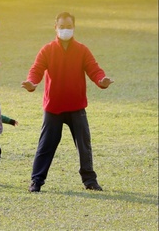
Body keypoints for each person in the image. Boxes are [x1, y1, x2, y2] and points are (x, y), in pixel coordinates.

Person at [21, 12, 113, 193]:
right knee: (45, 146)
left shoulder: (82, 50)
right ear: (55, 27)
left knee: (84, 145)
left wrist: (101, 81)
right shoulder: (47, 50)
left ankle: (90, 181)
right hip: (53, 107)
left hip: (76, 107)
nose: (65, 30)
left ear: (74, 27)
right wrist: (31, 84)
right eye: (61, 26)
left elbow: (94, 69)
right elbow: (36, 70)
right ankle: (36, 181)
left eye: (68, 26)